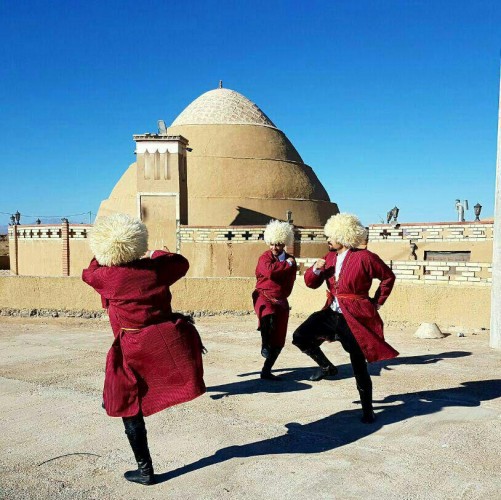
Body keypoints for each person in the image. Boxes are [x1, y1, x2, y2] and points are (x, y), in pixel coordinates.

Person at [82, 213, 205, 485]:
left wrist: (101, 255)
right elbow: (180, 262)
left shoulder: (107, 276)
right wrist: (156, 252)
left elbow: (88, 273)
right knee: (131, 395)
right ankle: (144, 468)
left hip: (131, 346)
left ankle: (145, 470)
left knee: (127, 403)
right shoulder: (156, 269)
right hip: (162, 340)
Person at [292, 213, 398, 423]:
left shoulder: (366, 257)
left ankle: (368, 409)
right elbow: (310, 283)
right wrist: (315, 269)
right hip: (332, 313)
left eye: (331, 236)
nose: (328, 240)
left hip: (355, 317)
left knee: (358, 364)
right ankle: (327, 367)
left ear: (342, 236)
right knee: (300, 336)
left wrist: (377, 301)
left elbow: (388, 277)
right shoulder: (328, 258)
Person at [252, 220, 297, 380]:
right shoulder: (265, 257)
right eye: (271, 244)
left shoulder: (292, 260)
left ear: (284, 243)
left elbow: (290, 279)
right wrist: (286, 264)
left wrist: (284, 295)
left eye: (277, 244)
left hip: (281, 300)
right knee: (267, 316)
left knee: (279, 339)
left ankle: (266, 370)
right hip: (263, 295)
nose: (274, 248)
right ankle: (265, 345)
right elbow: (270, 272)